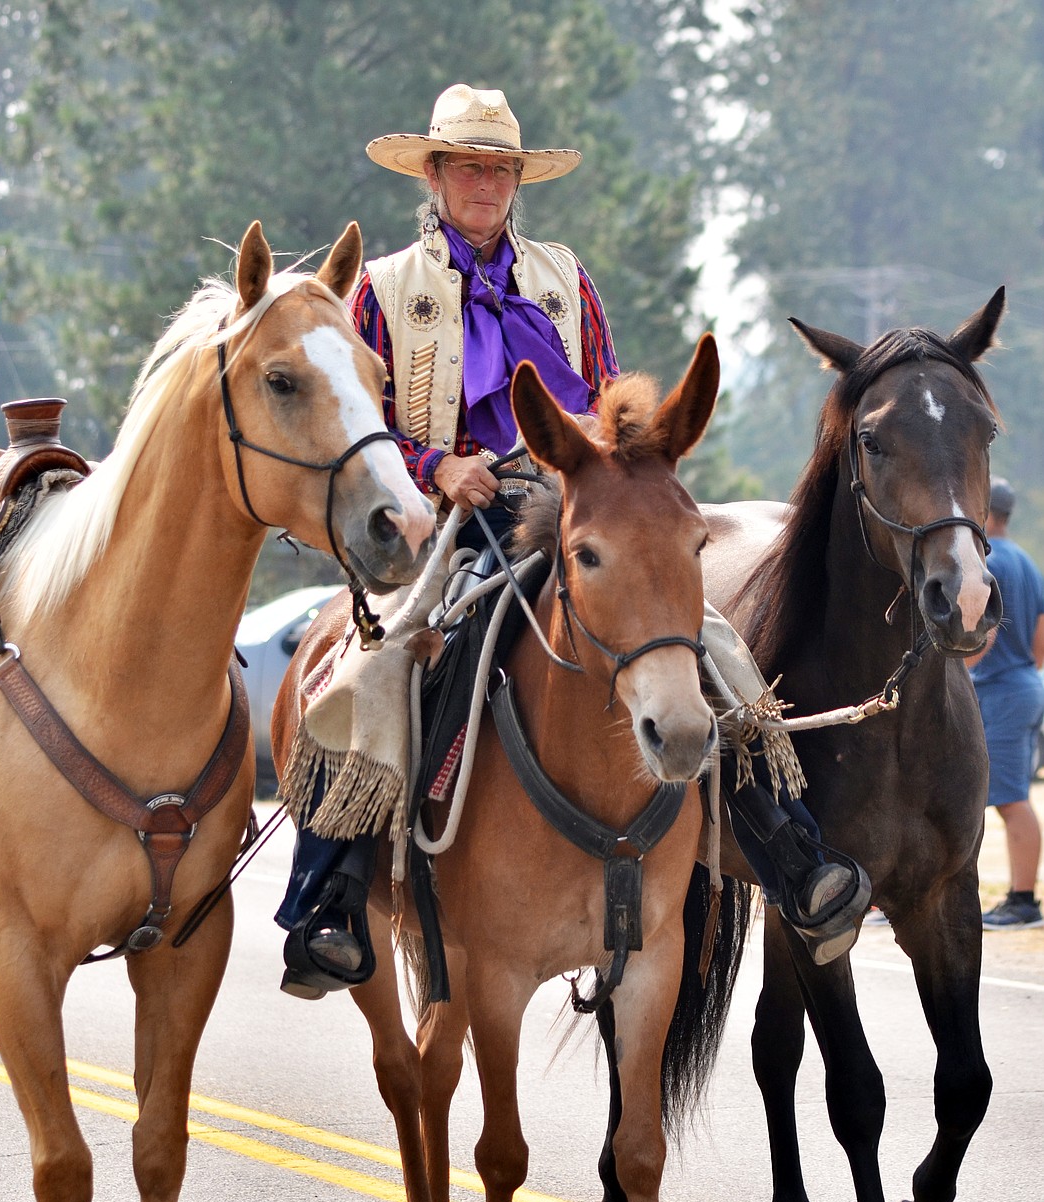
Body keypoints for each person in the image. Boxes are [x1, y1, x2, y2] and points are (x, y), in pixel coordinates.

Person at [274, 83, 869, 997]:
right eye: (469, 166)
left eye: (501, 169)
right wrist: (439, 465)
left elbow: (605, 405)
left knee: (703, 639)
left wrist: (594, 475)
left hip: (569, 502)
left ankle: (793, 854)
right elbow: (356, 420)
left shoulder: (563, 277)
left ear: (518, 181)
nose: (486, 183)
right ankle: (335, 895)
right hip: (446, 518)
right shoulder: (386, 289)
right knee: (384, 663)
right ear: (433, 174)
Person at [968, 478, 1044, 929]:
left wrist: (957, 672)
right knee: (1004, 796)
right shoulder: (1027, 561)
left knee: (1011, 799)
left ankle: (1022, 900)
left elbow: (986, 628)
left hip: (999, 691)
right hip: (1022, 685)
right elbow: (1039, 637)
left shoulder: (987, 559)